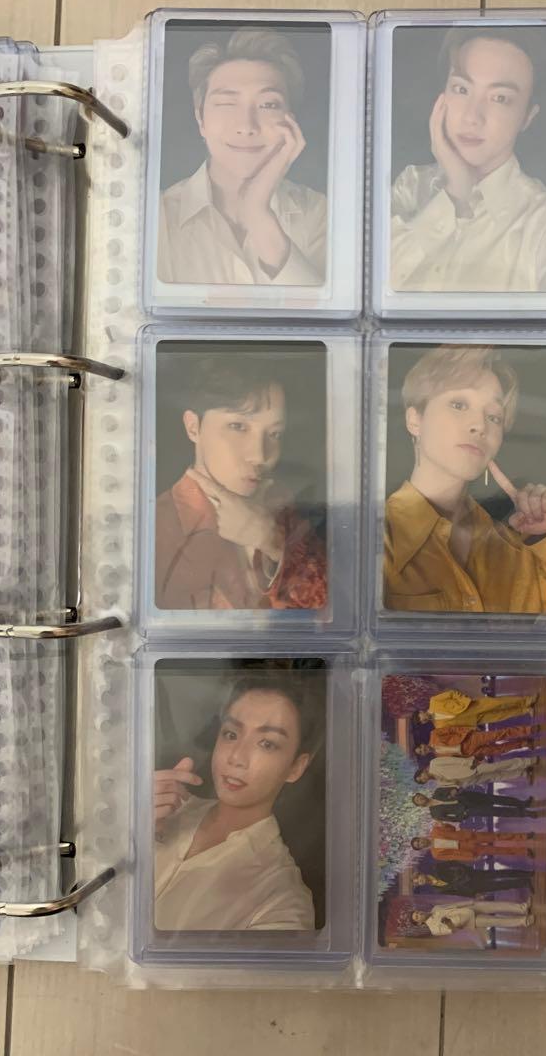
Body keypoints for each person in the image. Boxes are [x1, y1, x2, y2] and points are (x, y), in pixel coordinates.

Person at [384, 344, 546, 613]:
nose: (480, 425)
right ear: (415, 420)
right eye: (459, 405)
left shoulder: (518, 549)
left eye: (494, 417)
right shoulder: (374, 539)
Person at [390, 27, 546, 293]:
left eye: (500, 98)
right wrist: (455, 193)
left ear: (527, 117)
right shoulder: (412, 185)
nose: (472, 117)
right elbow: (373, 286)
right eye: (461, 89)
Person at [152, 670, 323, 930]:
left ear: (295, 767)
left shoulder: (282, 901)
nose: (236, 758)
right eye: (231, 734)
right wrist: (126, 832)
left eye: (267, 744)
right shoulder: (161, 809)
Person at [154, 355, 327, 611]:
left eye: (275, 433)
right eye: (237, 426)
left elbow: (338, 615)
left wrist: (272, 542)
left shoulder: (285, 507)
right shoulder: (156, 527)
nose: (260, 455)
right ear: (193, 427)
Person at [157, 27, 328, 287]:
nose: (246, 126)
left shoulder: (320, 213)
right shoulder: (158, 218)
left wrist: (257, 213)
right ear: (200, 119)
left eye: (268, 105)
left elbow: (325, 313)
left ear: (291, 119)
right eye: (227, 103)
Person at [413, 688, 537, 727]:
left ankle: (526, 700)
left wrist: (463, 700)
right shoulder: (438, 726)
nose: (423, 720)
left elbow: (451, 693)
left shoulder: (434, 701)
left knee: (497, 703)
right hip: (473, 720)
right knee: (500, 716)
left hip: (470, 706)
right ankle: (525, 710)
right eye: (421, 722)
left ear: (421, 712)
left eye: (420, 717)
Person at [411, 824, 536, 862]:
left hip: (469, 837)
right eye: (419, 845)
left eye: (419, 841)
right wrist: (470, 857)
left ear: (421, 837)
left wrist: (444, 826)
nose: (421, 843)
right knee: (496, 851)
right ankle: (524, 851)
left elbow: (451, 828)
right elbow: (454, 857)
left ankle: (524, 836)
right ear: (421, 848)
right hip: (467, 850)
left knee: (496, 836)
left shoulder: (435, 830)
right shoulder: (436, 854)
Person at [414, 722, 536, 759]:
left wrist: (470, 728)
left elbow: (453, 729)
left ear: (422, 744)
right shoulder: (438, 757)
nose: (423, 750)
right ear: (424, 754)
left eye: (421, 748)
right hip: (469, 752)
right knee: (498, 750)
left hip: (469, 739)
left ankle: (527, 730)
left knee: (498, 735)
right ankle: (523, 743)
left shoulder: (434, 734)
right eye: (421, 752)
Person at [410, 899, 534, 935]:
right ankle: (524, 921)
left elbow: (453, 905)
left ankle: (522, 907)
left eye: (417, 912)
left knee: (496, 905)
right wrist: (448, 923)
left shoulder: (435, 909)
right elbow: (452, 930)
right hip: (469, 921)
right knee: (497, 921)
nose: (419, 914)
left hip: (470, 908)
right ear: (419, 923)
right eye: (417, 917)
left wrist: (470, 902)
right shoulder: (434, 929)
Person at [411, 787, 539, 821]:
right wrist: (464, 814)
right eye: (418, 800)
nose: (420, 798)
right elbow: (452, 819)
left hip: (468, 797)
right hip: (468, 810)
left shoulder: (437, 792)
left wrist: (454, 790)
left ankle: (523, 804)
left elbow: (452, 788)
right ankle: (525, 813)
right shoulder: (434, 814)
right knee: (496, 811)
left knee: (496, 799)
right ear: (420, 805)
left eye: (419, 796)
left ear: (422, 794)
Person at [414, 754, 538, 789]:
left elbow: (452, 760)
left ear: (422, 771)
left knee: (497, 766)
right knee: (497, 776)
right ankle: (522, 772)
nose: (424, 778)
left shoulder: (434, 763)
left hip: (470, 768)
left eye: (421, 776)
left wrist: (469, 762)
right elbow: (455, 785)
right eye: (422, 781)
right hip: (469, 781)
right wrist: (446, 781)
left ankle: (527, 761)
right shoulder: (439, 783)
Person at [413, 862, 534, 896]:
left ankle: (525, 874)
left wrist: (466, 870)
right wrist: (474, 895)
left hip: (471, 875)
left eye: (418, 879)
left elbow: (454, 863)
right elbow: (457, 893)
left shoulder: (436, 868)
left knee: (497, 874)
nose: (420, 882)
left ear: (420, 874)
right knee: (499, 886)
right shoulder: (437, 889)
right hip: (472, 888)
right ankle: (524, 882)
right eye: (418, 883)